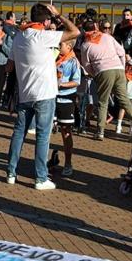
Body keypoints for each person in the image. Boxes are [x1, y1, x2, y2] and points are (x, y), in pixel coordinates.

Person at [5, 3, 79, 189]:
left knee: (19, 133)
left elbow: (9, 67)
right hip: (45, 93)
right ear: (46, 20)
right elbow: (75, 32)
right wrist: (59, 15)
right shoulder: (45, 36)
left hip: (25, 92)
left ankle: (11, 172)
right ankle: (40, 177)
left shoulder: (19, 37)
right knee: (43, 136)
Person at [76, 17, 132, 140]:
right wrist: (122, 66)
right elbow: (121, 52)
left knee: (103, 102)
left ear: (84, 31)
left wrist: (95, 74)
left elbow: (86, 65)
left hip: (102, 71)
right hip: (118, 68)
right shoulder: (108, 37)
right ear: (96, 28)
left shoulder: (85, 45)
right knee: (124, 99)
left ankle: (100, 131)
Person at [49, 37, 81, 177]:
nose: (57, 46)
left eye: (60, 44)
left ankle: (68, 163)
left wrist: (61, 85)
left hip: (66, 99)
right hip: (51, 97)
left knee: (66, 131)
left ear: (68, 46)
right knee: (45, 129)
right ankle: (44, 160)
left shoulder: (73, 61)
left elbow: (76, 81)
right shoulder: (53, 58)